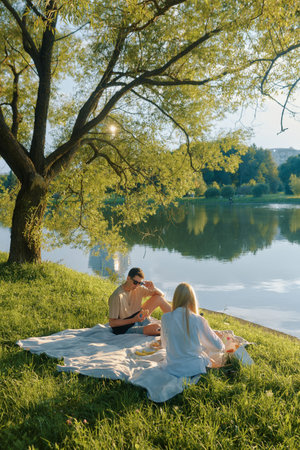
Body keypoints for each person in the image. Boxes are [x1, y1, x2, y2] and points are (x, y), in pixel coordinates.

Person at [161, 282, 225, 377]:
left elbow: (164, 345)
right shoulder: (197, 319)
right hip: (193, 369)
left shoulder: (165, 318)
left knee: (203, 351)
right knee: (209, 353)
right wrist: (216, 338)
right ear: (192, 299)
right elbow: (219, 347)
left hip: (172, 368)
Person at [108, 267, 171, 335]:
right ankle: (171, 331)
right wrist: (134, 320)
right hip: (125, 327)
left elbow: (161, 295)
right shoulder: (117, 296)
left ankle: (178, 319)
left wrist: (153, 288)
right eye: (135, 282)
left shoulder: (138, 289)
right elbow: (112, 323)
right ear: (128, 278)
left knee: (159, 298)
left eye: (140, 283)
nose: (137, 285)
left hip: (138, 316)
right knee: (157, 328)